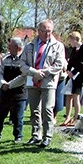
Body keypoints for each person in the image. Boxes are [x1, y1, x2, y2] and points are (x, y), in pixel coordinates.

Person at [20, 19, 66, 148]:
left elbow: (58, 65)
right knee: (34, 110)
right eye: (44, 31)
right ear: (38, 31)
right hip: (32, 82)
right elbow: (22, 64)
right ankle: (35, 135)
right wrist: (34, 72)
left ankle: (47, 136)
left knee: (47, 109)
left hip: (48, 83)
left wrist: (42, 73)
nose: (47, 34)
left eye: (49, 31)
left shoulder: (58, 46)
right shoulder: (30, 46)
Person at [0, 37, 27, 144]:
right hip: (5, 93)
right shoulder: (6, 59)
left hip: (19, 93)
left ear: (18, 47)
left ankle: (18, 136)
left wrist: (9, 85)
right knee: (0, 116)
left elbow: (23, 76)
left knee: (18, 117)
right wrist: (2, 83)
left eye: (11, 46)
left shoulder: (24, 60)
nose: (8, 47)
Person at [62, 31, 83, 127]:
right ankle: (67, 117)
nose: (70, 43)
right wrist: (68, 71)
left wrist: (73, 72)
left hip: (80, 75)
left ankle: (75, 118)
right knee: (68, 96)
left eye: (71, 40)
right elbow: (71, 61)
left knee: (76, 96)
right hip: (71, 75)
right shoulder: (74, 49)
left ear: (76, 39)